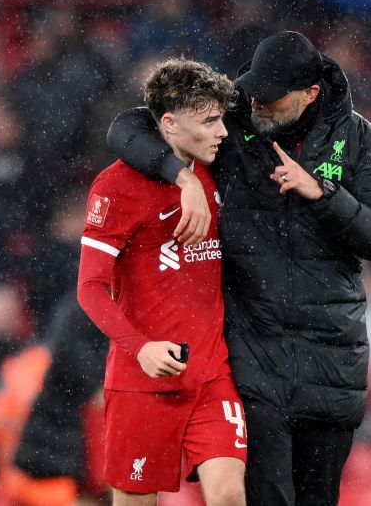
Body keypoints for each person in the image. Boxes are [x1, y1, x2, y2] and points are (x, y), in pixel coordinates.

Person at [107, 31, 371, 506]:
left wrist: (322, 193)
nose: (258, 102)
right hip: (254, 360)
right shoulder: (232, 123)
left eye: (272, 95)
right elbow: (126, 128)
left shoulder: (356, 137)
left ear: (310, 94)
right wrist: (181, 176)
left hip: (330, 363)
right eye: (255, 90)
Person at [77, 59, 246, 506]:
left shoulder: (217, 169)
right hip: (143, 380)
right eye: (209, 122)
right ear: (169, 124)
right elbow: (89, 288)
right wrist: (141, 348)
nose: (222, 132)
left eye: (221, 119)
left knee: (230, 494)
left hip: (211, 374)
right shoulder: (115, 186)